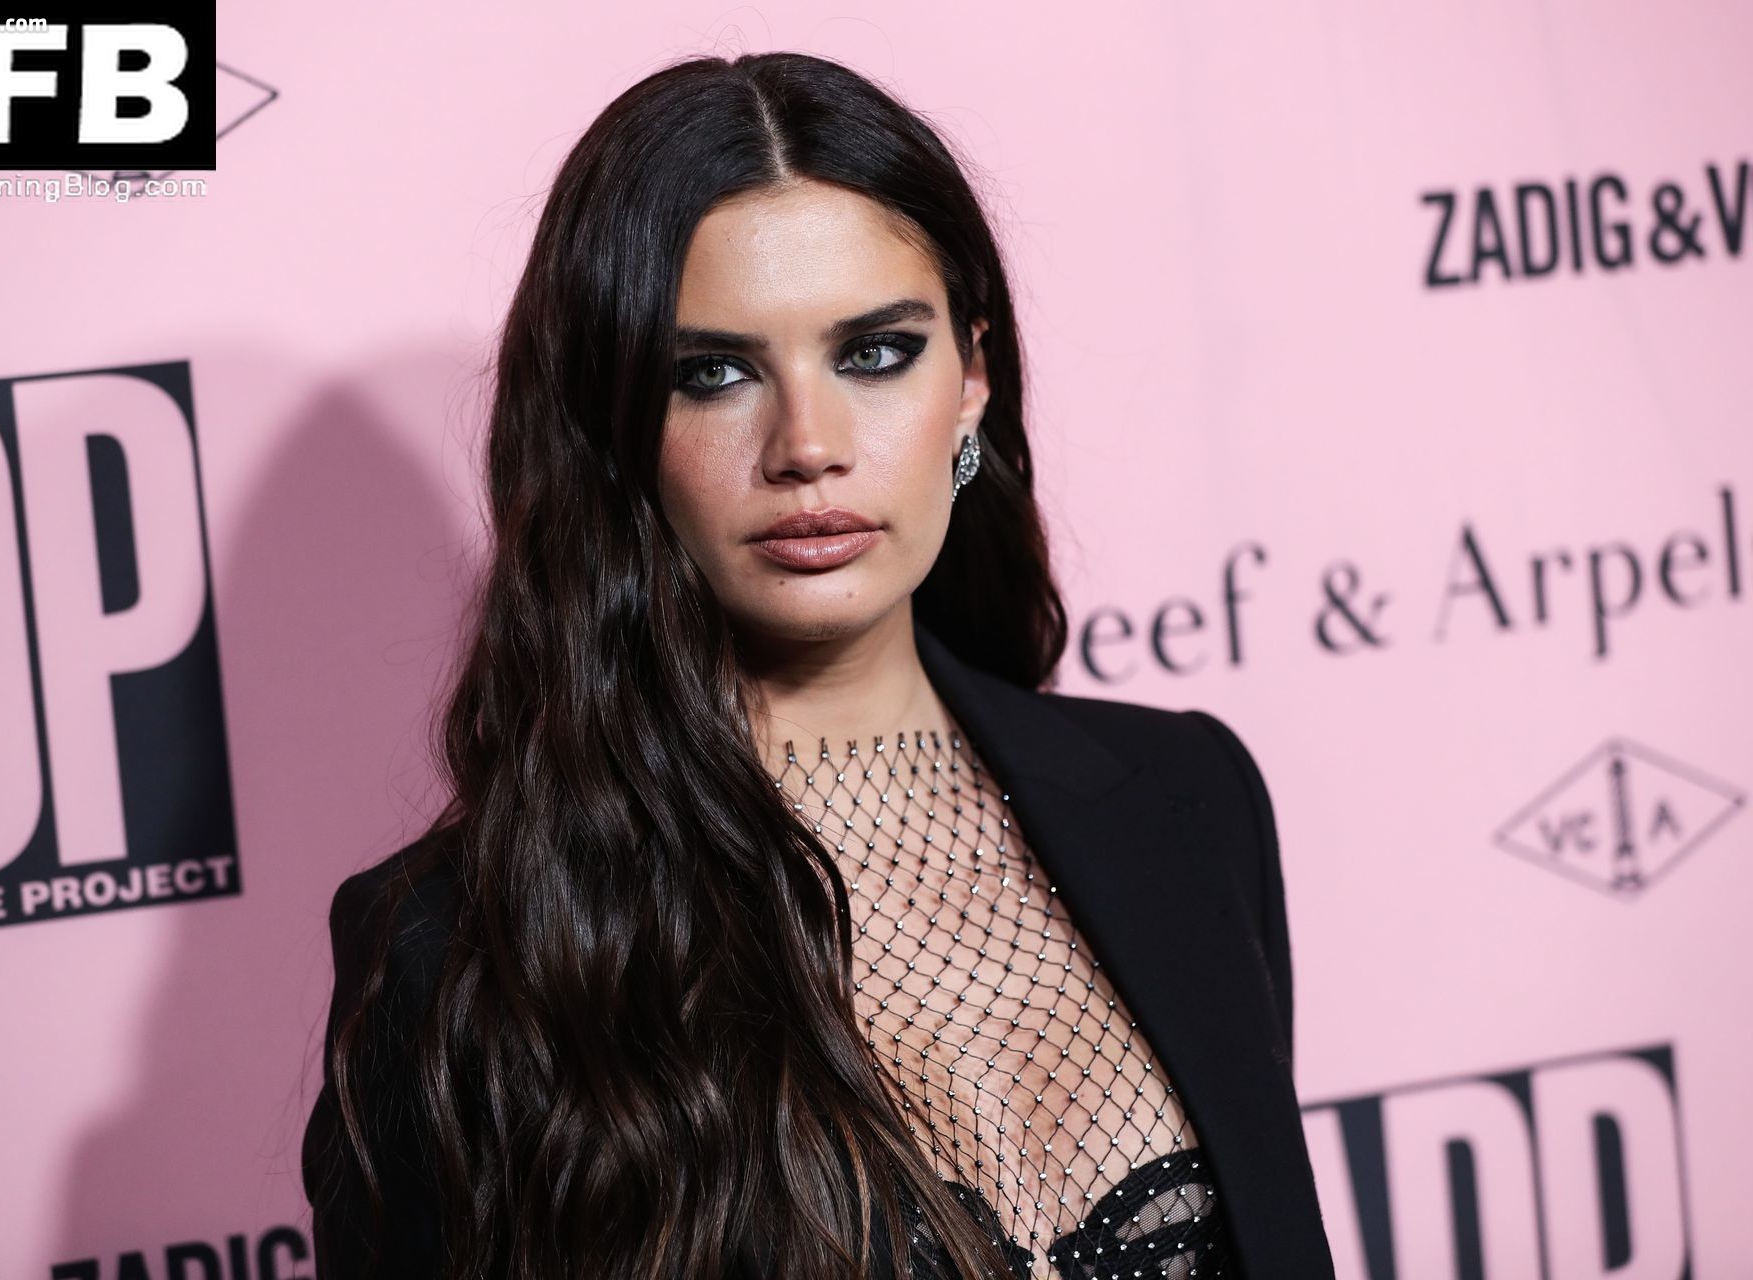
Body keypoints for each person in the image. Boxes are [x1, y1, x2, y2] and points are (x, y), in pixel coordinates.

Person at [301, 50, 1334, 1280]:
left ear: (972, 377)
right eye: (713, 373)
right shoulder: (458, 949)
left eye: (875, 352)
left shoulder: (1187, 800)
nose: (808, 445)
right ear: (614, 422)